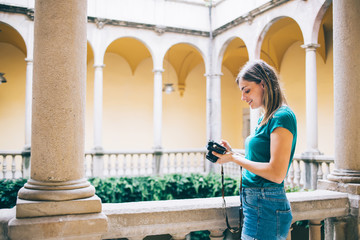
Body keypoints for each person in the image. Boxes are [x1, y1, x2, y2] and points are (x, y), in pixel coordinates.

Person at [212, 59, 297, 240]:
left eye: (247, 90)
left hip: (266, 204)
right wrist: (231, 153)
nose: (243, 97)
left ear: (263, 84)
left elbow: (276, 173)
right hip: (257, 204)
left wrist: (234, 158)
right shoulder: (264, 118)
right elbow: (261, 157)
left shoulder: (282, 116)